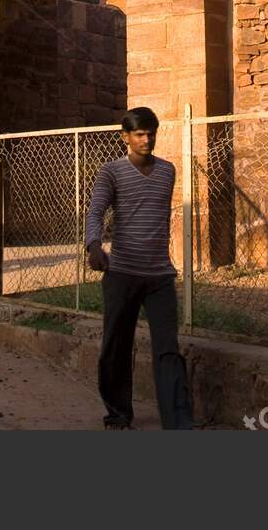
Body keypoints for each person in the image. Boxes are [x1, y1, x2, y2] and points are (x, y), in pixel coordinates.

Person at [84, 106, 193, 430]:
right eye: (139, 134)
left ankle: (177, 420)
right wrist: (93, 245)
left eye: (151, 133)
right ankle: (118, 414)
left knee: (168, 348)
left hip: (160, 274)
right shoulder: (111, 172)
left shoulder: (168, 171)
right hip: (122, 274)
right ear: (126, 137)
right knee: (116, 345)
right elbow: (96, 211)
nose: (146, 140)